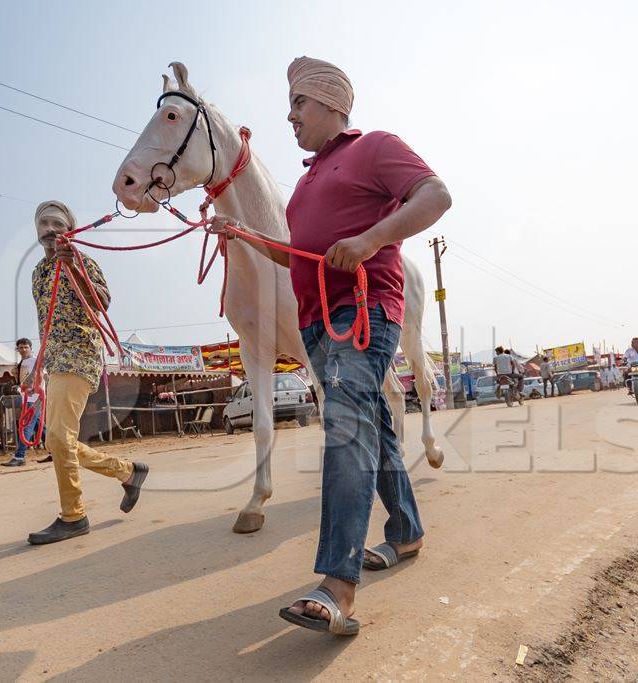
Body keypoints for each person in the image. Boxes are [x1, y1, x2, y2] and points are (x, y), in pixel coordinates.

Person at [208, 56, 451, 636]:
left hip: (362, 310)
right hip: (318, 324)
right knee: (376, 430)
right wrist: (242, 235)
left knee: (344, 428)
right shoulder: (307, 182)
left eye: (299, 104)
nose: (289, 116)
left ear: (333, 105)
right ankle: (407, 532)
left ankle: (337, 584)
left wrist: (371, 239)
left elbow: (435, 194)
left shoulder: (373, 148)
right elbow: (298, 256)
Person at [27, 201, 149, 545]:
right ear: (37, 230)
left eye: (57, 223)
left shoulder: (81, 259)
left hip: (79, 356)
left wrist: (74, 268)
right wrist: (36, 368)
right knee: (57, 439)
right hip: (54, 360)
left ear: (70, 229)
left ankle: (74, 516)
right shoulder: (37, 272)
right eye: (45, 223)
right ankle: (127, 472)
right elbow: (45, 324)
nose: (51, 228)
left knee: (57, 439)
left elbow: (102, 302)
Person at [2, 338, 42, 467]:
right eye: (21, 347)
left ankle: (19, 457)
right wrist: (19, 386)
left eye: (26, 347)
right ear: (17, 349)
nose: (23, 349)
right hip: (27, 397)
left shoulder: (36, 361)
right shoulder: (22, 362)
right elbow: (23, 380)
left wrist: (32, 389)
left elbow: (41, 377)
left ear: (31, 348)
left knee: (26, 426)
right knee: (40, 426)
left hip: (35, 397)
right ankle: (55, 452)